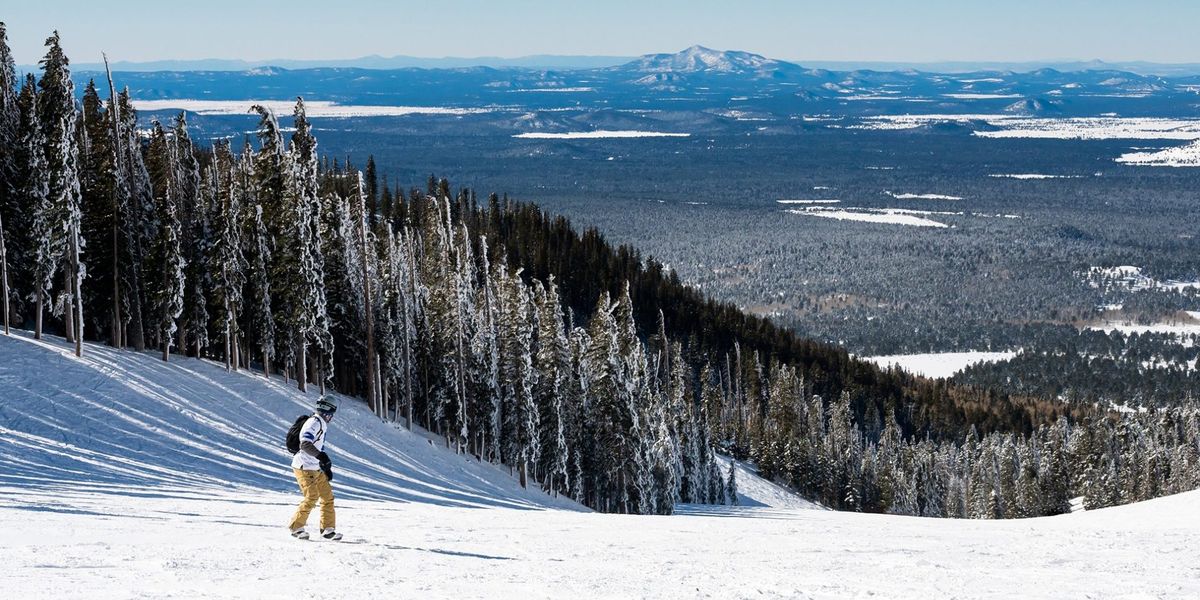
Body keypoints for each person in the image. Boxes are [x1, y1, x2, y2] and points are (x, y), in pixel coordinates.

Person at [288, 397, 341, 540]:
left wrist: (325, 467)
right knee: (311, 497)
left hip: (314, 467)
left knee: (327, 497)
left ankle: (327, 529)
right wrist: (322, 457)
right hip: (304, 467)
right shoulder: (314, 423)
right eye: (332, 414)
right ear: (328, 412)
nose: (332, 417)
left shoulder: (320, 422)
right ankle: (296, 527)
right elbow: (305, 444)